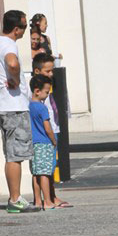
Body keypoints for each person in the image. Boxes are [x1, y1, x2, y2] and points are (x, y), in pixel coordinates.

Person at [0, 9, 38, 213]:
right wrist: (15, 79)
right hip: (13, 107)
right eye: (24, 27)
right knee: (15, 155)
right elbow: (12, 63)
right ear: (16, 29)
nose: (25, 30)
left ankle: (15, 198)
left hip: (2, 106)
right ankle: (15, 199)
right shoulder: (8, 45)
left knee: (11, 153)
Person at [32, 53, 72, 208]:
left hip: (51, 129)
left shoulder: (46, 88)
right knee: (47, 168)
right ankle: (49, 198)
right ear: (37, 71)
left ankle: (47, 198)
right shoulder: (39, 92)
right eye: (48, 71)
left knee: (45, 168)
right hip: (47, 135)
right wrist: (52, 138)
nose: (51, 74)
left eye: (52, 70)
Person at [29, 74, 58, 209]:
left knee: (35, 173)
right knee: (45, 173)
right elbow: (47, 127)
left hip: (32, 143)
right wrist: (53, 140)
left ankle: (37, 201)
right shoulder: (42, 107)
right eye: (46, 92)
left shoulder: (28, 106)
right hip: (44, 143)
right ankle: (47, 201)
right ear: (37, 91)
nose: (47, 95)